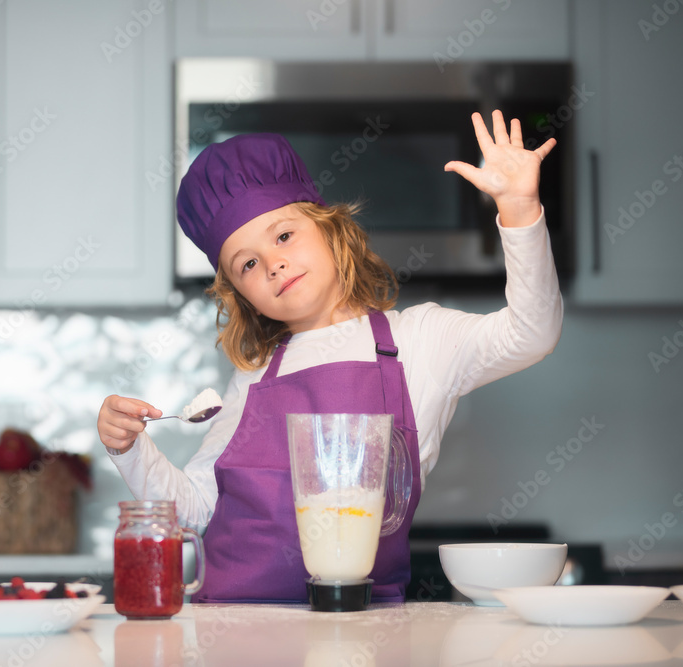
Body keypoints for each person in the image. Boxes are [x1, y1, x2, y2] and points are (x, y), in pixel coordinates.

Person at [98, 110, 563, 603]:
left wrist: (519, 210)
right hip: (232, 633)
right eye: (248, 264)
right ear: (240, 294)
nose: (273, 263)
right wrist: (129, 449)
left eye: (283, 236)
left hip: (361, 631)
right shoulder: (253, 375)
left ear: (329, 227)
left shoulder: (421, 340)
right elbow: (192, 510)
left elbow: (532, 333)